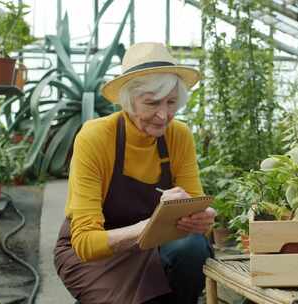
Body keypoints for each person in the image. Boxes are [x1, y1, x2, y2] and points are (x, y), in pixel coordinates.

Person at [54, 42, 216, 304]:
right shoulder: (95, 137)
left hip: (152, 247)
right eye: (152, 103)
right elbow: (84, 243)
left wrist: (200, 220)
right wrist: (147, 227)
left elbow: (194, 216)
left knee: (192, 248)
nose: (164, 116)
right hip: (95, 255)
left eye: (172, 102)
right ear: (128, 101)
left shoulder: (179, 136)